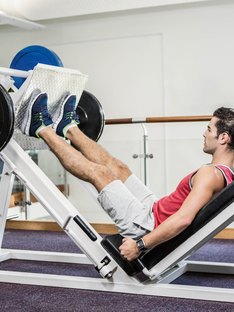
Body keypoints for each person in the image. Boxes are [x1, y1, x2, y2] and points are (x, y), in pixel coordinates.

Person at [20, 90, 234, 261]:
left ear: (223, 137)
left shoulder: (210, 174)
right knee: (118, 167)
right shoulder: (224, 174)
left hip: (146, 224)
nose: (203, 133)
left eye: (208, 128)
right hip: (154, 209)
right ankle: (69, 129)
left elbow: (183, 219)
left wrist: (141, 244)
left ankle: (41, 127)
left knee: (101, 173)